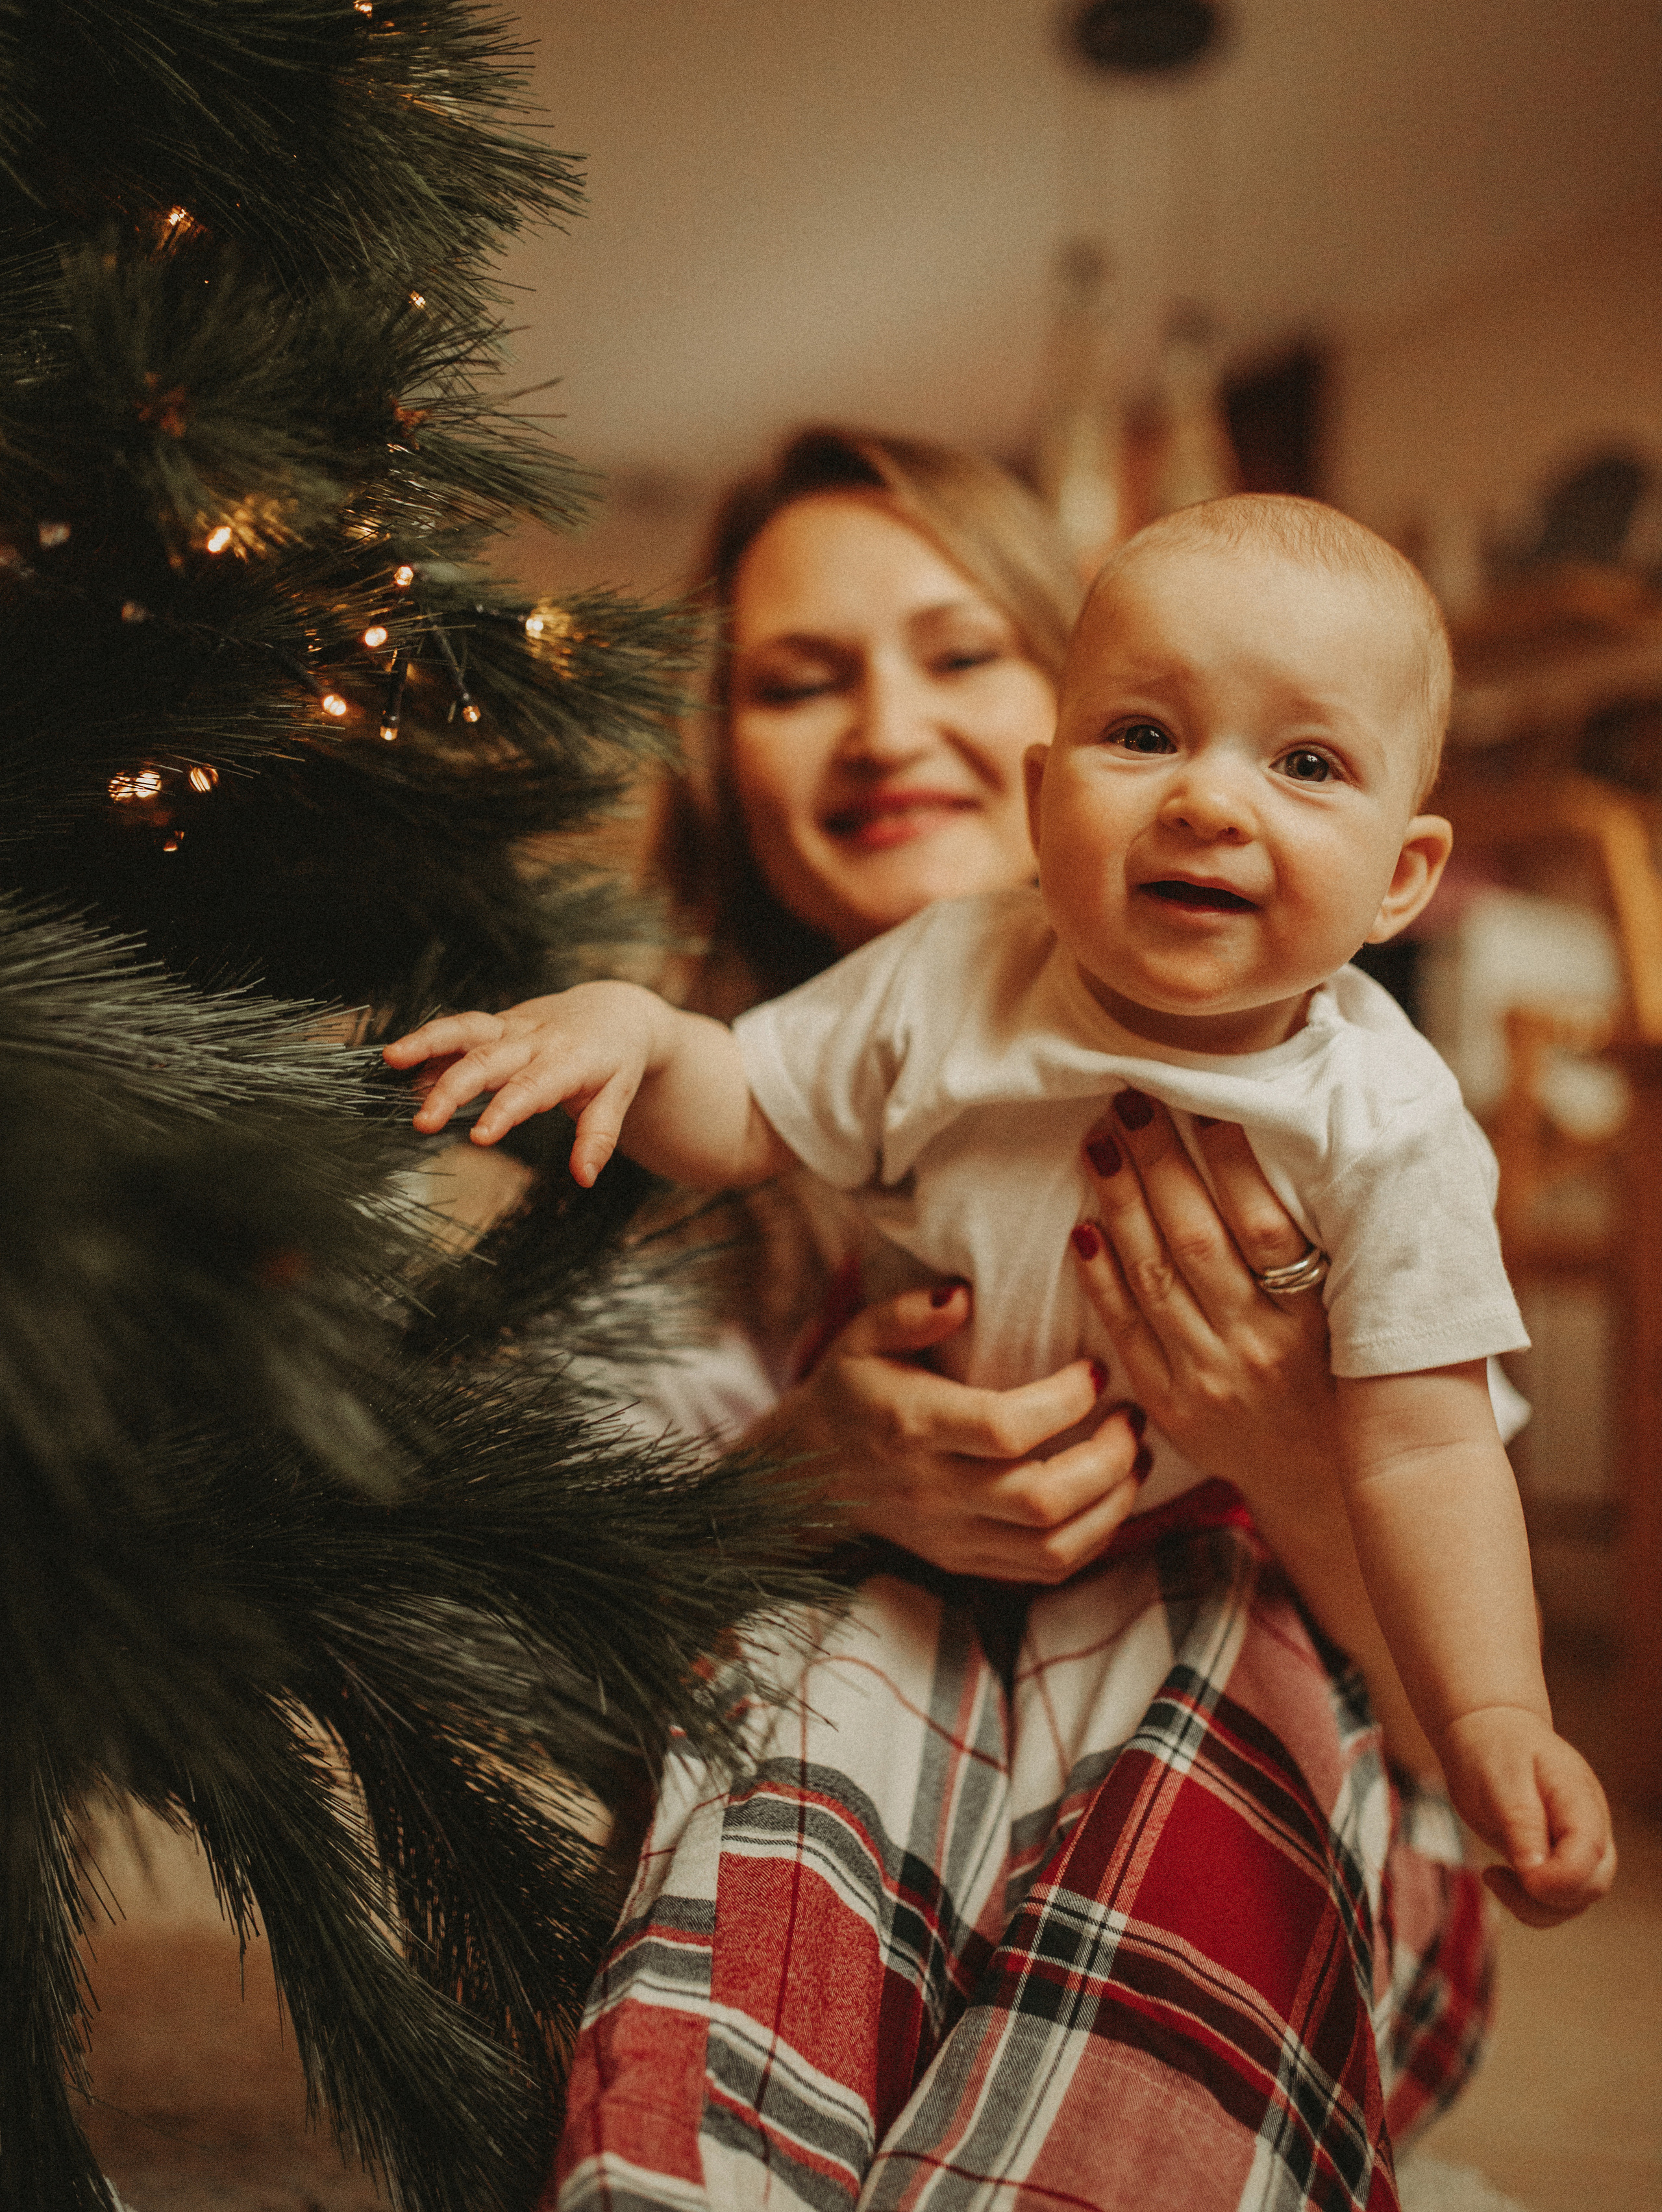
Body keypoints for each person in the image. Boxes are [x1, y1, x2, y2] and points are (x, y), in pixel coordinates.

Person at [393, 434, 1499, 2209]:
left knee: (1211, 1663)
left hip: (1284, 1794)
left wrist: (1283, 1446)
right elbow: (531, 1672)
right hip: (882, 1804)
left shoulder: (1363, 1114)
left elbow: (1461, 1652)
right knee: (825, 1665)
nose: (887, 729)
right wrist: (802, 1474)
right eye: (799, 682)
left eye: (958, 651)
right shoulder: (764, 1084)